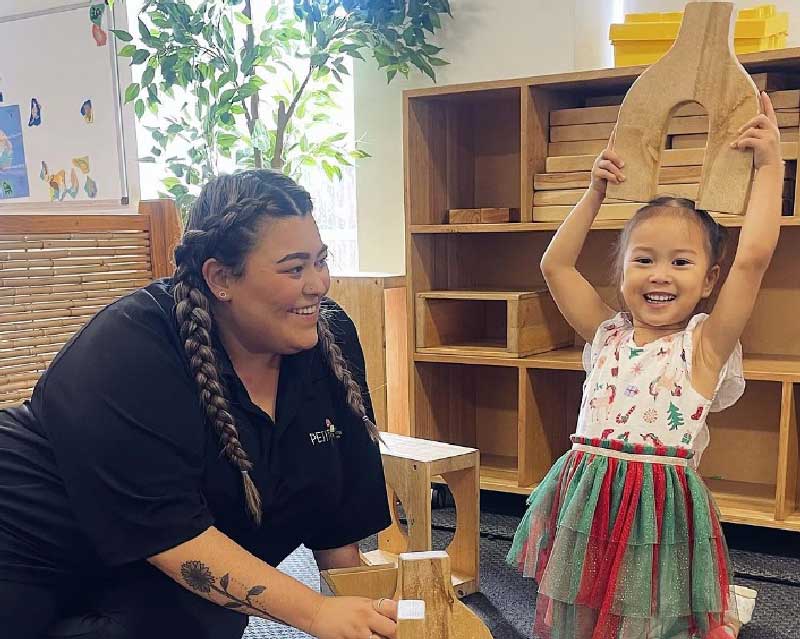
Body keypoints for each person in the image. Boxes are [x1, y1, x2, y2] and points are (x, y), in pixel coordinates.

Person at [0, 169, 398, 639]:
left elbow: (339, 515)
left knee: (201, 618)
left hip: (147, 567)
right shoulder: (132, 346)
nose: (318, 284)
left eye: (320, 261)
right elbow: (169, 534)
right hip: (30, 541)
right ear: (220, 278)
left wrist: (357, 614)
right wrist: (313, 613)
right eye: (294, 268)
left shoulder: (328, 342)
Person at [507, 91, 785, 639]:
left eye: (681, 262)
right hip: (588, 499)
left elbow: (752, 259)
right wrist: (593, 193)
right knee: (584, 605)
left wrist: (771, 165)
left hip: (658, 513)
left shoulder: (704, 346)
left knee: (651, 613)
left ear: (708, 281)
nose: (660, 274)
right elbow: (554, 264)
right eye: (644, 259)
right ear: (623, 270)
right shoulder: (607, 332)